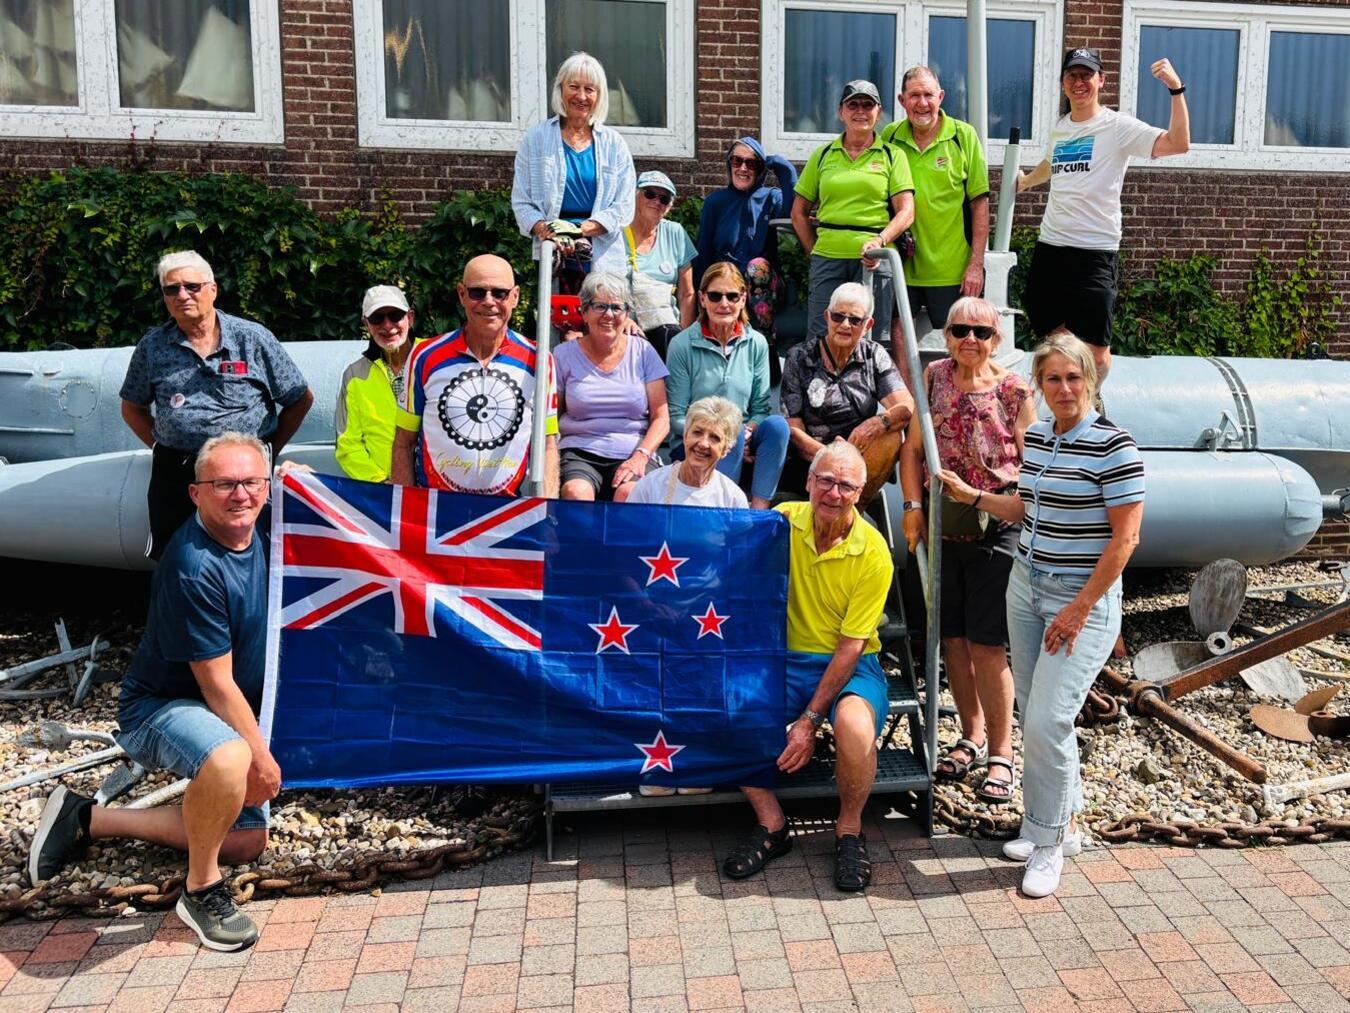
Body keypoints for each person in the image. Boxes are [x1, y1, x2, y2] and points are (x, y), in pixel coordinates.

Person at [29, 433, 284, 951]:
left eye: (251, 482)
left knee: (247, 840)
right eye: (224, 484)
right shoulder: (193, 565)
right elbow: (215, 684)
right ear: (196, 494)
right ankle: (201, 890)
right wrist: (260, 757)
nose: (240, 495)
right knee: (233, 757)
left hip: (218, 700)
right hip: (160, 708)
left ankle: (87, 817)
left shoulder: (260, 528)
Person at [937, 333, 1144, 898]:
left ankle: (1049, 845)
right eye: (1052, 379)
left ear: (1090, 380)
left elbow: (1125, 540)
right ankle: (1055, 825)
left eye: (1072, 377)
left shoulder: (1113, 446)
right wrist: (973, 494)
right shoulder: (1041, 439)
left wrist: (1080, 610)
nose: (1063, 388)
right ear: (1040, 385)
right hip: (1025, 588)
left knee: (1049, 721)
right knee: (1038, 715)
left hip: (1079, 601)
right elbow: (1025, 508)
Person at [722, 441, 892, 892]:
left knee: (855, 727)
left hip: (850, 665)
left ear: (860, 494)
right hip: (782, 661)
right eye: (826, 480)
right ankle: (773, 825)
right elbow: (716, 545)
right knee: (727, 704)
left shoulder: (873, 553)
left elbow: (850, 647)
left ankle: (849, 831)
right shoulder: (780, 522)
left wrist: (809, 720)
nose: (834, 493)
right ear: (808, 481)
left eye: (847, 486)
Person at [899, 298, 1035, 804]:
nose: (969, 340)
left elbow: (1032, 470)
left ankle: (1002, 752)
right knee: (952, 639)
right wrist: (913, 506)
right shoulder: (932, 376)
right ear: (947, 335)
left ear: (995, 338)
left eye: (980, 331)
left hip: (994, 528)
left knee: (987, 644)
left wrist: (984, 499)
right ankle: (972, 735)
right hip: (943, 526)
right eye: (959, 330)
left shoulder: (1014, 391)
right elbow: (913, 449)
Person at [120, 250, 313, 560]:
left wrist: (267, 451)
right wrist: (160, 447)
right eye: (172, 289)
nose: (182, 295)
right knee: (175, 559)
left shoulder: (252, 339)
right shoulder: (152, 347)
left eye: (191, 286)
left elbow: (299, 398)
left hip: (244, 475)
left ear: (212, 289)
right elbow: (131, 407)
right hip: (177, 473)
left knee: (252, 555)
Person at [1018, 48, 1189, 386]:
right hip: (1050, 247)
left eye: (1086, 75)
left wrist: (1176, 89)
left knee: (1097, 355)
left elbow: (1178, 143)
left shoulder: (1116, 127)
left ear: (1101, 80)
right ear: (1063, 83)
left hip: (1094, 251)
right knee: (1051, 333)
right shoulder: (1062, 127)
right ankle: (1066, 401)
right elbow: (1053, 165)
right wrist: (1025, 182)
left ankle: (1090, 406)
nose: (1079, 82)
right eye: (1072, 76)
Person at [392, 255, 559, 497]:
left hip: (506, 514)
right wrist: (403, 512)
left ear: (515, 296)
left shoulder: (540, 360)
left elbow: (548, 445)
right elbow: (403, 442)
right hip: (438, 511)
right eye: (477, 292)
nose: (488, 302)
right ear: (462, 294)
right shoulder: (424, 356)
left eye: (499, 293)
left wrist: (547, 513)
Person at [880, 66, 990, 387]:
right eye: (914, 95)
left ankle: (957, 402)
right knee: (900, 332)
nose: (922, 103)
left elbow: (979, 204)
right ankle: (910, 406)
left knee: (962, 340)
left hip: (953, 267)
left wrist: (976, 264)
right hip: (905, 265)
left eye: (929, 94)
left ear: (940, 97)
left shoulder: (963, 135)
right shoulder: (889, 137)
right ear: (902, 100)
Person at [792, 80, 915, 346]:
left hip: (875, 258)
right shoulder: (823, 155)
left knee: (874, 338)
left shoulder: (892, 156)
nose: (861, 110)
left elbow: (906, 212)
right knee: (821, 335)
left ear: (878, 112)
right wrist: (813, 251)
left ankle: (868, 388)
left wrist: (880, 241)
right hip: (828, 258)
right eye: (853, 104)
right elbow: (799, 212)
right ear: (841, 112)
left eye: (868, 104)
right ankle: (820, 388)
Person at [665, 264, 788, 510]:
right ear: (702, 298)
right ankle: (723, 512)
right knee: (731, 429)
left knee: (777, 426)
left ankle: (758, 513)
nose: (724, 303)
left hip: (743, 436)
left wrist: (747, 430)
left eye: (732, 296)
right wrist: (721, 434)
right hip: (694, 442)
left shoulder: (757, 343)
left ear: (743, 299)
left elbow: (761, 408)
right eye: (715, 295)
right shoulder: (681, 345)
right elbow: (676, 416)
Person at [511, 51, 636, 289]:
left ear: (599, 96)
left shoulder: (614, 144)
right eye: (574, 86)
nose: (581, 96)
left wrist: (580, 230)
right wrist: (545, 230)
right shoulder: (536, 139)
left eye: (590, 89)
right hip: (553, 255)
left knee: (603, 319)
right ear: (560, 89)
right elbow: (521, 201)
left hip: (601, 254)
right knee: (555, 323)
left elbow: (624, 206)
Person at [780, 282, 913, 502]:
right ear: (826, 316)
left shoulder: (873, 354)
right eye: (838, 317)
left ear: (868, 324)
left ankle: (853, 508)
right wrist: (832, 458)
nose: (845, 325)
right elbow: (794, 430)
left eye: (855, 320)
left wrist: (876, 423)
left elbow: (906, 406)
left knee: (891, 435)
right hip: (813, 459)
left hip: (861, 460)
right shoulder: (800, 357)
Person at [554, 272, 669, 503]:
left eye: (617, 308)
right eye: (599, 306)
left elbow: (662, 417)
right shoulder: (563, 355)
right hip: (579, 450)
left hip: (634, 448)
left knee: (629, 495)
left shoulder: (643, 352)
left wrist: (641, 455)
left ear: (626, 314)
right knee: (576, 493)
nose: (608, 314)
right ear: (584, 312)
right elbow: (552, 415)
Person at [693, 137, 798, 334]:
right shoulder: (715, 202)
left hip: (763, 284)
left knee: (756, 267)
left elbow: (793, 212)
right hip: (726, 281)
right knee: (722, 277)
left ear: (760, 169)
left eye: (751, 163)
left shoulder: (771, 197)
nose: (743, 168)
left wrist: (786, 170)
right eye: (736, 161)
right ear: (729, 164)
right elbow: (704, 251)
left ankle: (764, 338)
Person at [335, 285, 424, 483]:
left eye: (395, 315)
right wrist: (382, 483)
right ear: (366, 324)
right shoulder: (354, 375)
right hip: (385, 491)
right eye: (377, 318)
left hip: (438, 488)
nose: (387, 325)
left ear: (410, 317)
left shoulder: (436, 358)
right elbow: (347, 446)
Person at [621, 170, 696, 359]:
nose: (656, 201)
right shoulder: (617, 232)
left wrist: (684, 340)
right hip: (623, 321)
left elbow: (687, 294)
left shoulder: (675, 233)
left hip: (664, 326)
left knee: (669, 339)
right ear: (636, 195)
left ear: (669, 207)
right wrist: (623, 319)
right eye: (650, 194)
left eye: (664, 199)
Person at [628, 395, 749, 509]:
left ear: (725, 450)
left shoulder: (733, 499)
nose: (703, 443)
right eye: (697, 432)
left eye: (714, 438)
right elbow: (630, 530)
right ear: (685, 436)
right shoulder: (650, 486)